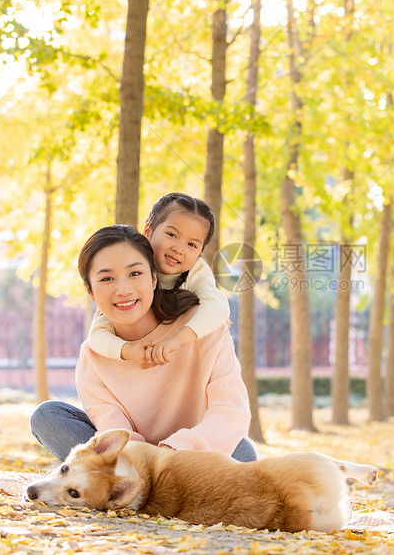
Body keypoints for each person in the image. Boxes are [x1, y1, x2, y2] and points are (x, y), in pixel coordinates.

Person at [30, 225, 256, 462]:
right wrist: (147, 464)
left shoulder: (201, 327)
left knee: (242, 453)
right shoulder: (93, 356)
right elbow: (116, 434)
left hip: (192, 456)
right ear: (90, 291)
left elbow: (230, 411)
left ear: (154, 278)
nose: (123, 290)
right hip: (135, 462)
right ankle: (141, 489)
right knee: (47, 416)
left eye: (135, 274)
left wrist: (171, 456)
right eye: (107, 278)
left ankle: (121, 487)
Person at [88, 193, 230, 367]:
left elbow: (218, 307)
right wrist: (129, 351)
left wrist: (176, 341)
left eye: (192, 245)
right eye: (172, 235)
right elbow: (96, 335)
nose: (179, 249)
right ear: (147, 231)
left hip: (183, 359)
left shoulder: (195, 271)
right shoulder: (129, 264)